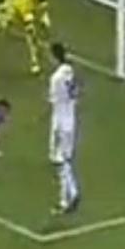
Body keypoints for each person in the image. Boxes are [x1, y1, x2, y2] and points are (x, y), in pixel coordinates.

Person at [48, 43, 81, 214]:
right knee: (65, 159)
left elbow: (53, 102)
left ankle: (71, 195)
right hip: (71, 119)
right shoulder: (70, 70)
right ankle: (64, 200)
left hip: (60, 121)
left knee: (60, 160)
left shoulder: (55, 79)